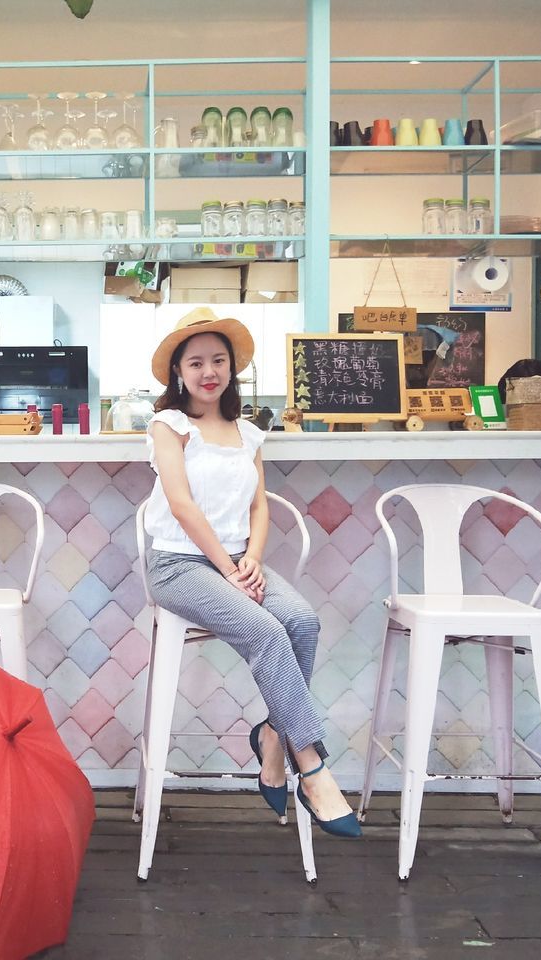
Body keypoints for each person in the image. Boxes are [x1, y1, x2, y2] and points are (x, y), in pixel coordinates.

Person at [141, 307, 360, 838]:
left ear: (231, 368)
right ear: (178, 371)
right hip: (180, 565)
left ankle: (271, 737)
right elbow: (181, 505)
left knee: (302, 620)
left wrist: (253, 559)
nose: (208, 371)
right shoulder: (168, 426)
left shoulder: (248, 433)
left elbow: (258, 507)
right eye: (196, 363)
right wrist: (228, 568)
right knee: (266, 630)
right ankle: (311, 765)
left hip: (238, 564)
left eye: (218, 360)